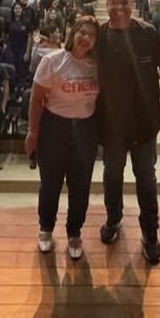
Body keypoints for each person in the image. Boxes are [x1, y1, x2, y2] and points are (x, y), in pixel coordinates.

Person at [95, 0, 160, 265]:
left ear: (133, 5)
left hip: (145, 123)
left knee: (146, 179)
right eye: (114, 2)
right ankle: (113, 217)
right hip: (112, 126)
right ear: (106, 4)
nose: (119, 7)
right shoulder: (98, 36)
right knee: (112, 175)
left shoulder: (148, 32)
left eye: (125, 2)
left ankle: (150, 233)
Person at [24, 16, 101, 260]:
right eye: (81, 32)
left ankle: (74, 232)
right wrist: (33, 133)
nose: (85, 37)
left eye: (91, 34)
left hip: (86, 130)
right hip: (54, 129)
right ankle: (45, 228)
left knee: (80, 186)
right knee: (50, 184)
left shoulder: (97, 65)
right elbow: (36, 100)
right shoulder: (52, 61)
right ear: (72, 33)